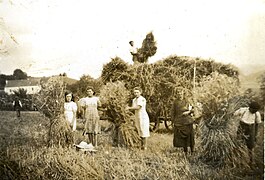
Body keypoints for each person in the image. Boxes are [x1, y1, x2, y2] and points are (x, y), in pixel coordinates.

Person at [234, 101, 262, 165]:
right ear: (250, 108)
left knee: (251, 146)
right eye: (254, 110)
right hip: (242, 128)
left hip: (251, 130)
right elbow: (233, 114)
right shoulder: (243, 110)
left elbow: (257, 125)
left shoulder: (257, 114)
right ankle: (238, 160)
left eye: (256, 110)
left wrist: (255, 135)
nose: (255, 111)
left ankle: (251, 160)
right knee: (238, 144)